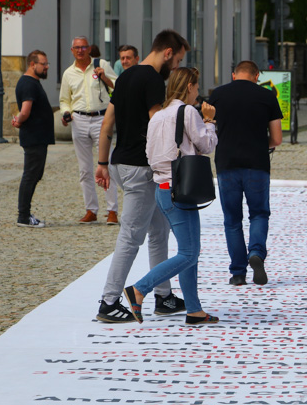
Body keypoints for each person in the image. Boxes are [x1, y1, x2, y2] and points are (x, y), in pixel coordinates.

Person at [92, 29, 190, 323]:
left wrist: (101, 162)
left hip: (122, 162)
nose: (175, 68)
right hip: (142, 168)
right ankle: (109, 301)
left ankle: (163, 296)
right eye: (178, 60)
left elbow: (108, 121)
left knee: (158, 231)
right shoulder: (151, 80)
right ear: (168, 52)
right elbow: (158, 124)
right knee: (131, 236)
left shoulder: (126, 76)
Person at [123, 67, 219, 325]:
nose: (198, 92)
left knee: (190, 251)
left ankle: (194, 310)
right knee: (189, 253)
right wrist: (209, 121)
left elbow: (150, 152)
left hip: (162, 188)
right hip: (180, 190)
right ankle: (140, 289)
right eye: (197, 87)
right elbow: (206, 145)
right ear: (189, 86)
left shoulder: (157, 116)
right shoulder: (188, 112)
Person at [208, 60, 283, 286]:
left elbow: (208, 128)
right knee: (259, 214)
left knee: (232, 220)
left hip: (227, 164)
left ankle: (238, 273)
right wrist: (263, 144)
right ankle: (256, 253)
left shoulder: (218, 95)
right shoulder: (267, 96)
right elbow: (277, 138)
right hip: (257, 163)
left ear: (233, 75)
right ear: (256, 76)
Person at [59, 36, 119, 225]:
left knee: (106, 163)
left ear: (89, 48)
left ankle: (112, 210)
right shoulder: (69, 73)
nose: (80, 51)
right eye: (77, 48)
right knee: (84, 169)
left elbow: (119, 85)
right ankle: (91, 209)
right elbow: (64, 99)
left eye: (84, 47)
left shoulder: (101, 65)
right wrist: (66, 112)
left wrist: (105, 77)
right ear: (72, 50)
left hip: (102, 118)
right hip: (80, 119)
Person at [11, 50, 54, 228]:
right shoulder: (28, 84)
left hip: (38, 137)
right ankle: (23, 216)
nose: (46, 67)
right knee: (30, 175)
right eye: (43, 64)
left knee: (35, 174)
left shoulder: (32, 82)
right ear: (32, 64)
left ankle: (25, 214)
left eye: (46, 63)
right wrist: (18, 120)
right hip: (34, 137)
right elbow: (26, 110)